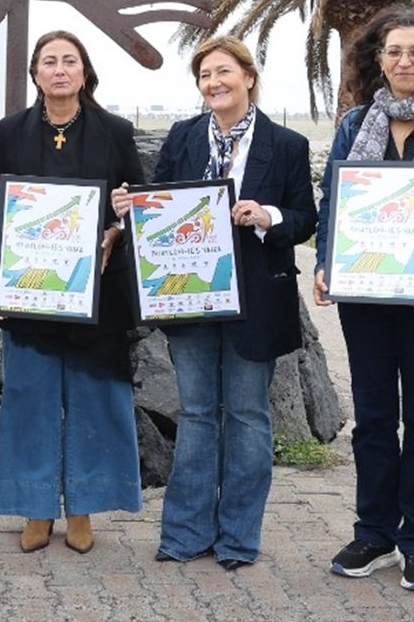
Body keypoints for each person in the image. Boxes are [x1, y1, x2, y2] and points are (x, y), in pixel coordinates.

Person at [117, 35, 315, 570]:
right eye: (205, 75)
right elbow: (159, 204)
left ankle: (238, 539)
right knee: (198, 413)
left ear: (248, 77)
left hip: (257, 296)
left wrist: (266, 215)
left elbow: (306, 220)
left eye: (224, 72)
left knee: (248, 415)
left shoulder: (288, 145)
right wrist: (131, 207)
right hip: (191, 298)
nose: (214, 83)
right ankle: (184, 535)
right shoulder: (182, 138)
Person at [311, 7, 414, 593]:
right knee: (374, 418)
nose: (404, 61)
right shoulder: (355, 122)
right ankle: (375, 532)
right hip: (365, 297)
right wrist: (326, 260)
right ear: (377, 60)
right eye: (393, 52)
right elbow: (335, 195)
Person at [0, 31, 145, 553]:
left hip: (98, 293)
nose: (59, 70)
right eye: (49, 61)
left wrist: (119, 227)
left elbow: (138, 204)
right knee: (29, 398)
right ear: (35, 73)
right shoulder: (10, 132)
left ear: (85, 71)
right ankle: (35, 508)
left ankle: (84, 509)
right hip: (30, 291)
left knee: (96, 400)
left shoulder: (115, 131)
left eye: (69, 61)